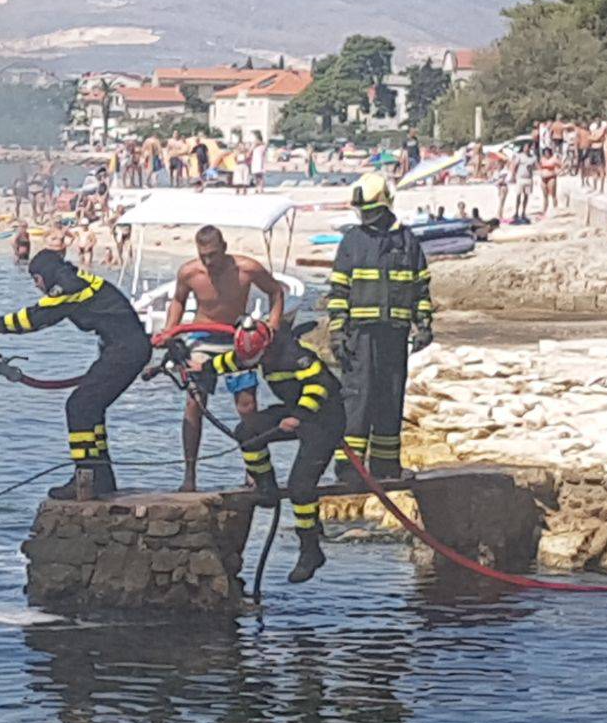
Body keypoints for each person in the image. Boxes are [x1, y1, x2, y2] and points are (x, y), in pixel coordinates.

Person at [0, 250, 151, 499]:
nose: (36, 286)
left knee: (79, 406)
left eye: (36, 279)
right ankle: (101, 478)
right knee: (89, 407)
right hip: (123, 349)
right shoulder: (74, 280)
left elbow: (38, 317)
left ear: (44, 275)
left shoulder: (68, 286)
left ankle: (86, 476)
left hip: (125, 351)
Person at [212, 318, 345, 583]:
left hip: (323, 419)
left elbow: (320, 386)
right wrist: (199, 369)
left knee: (300, 487)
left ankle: (310, 549)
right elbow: (229, 361)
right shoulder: (258, 352)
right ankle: (266, 488)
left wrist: (300, 415)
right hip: (295, 413)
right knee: (247, 433)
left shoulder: (295, 355)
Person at [324, 172, 433, 482]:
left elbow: (421, 286)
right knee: (358, 398)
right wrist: (337, 331)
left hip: (395, 333)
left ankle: (386, 468)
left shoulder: (406, 241)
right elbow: (339, 290)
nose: (366, 216)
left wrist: (423, 323)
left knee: (390, 396)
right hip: (359, 334)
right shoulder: (353, 241)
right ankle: (350, 470)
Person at [162, 225, 286, 492]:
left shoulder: (247, 268)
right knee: (195, 402)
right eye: (203, 255)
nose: (209, 261)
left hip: (237, 339)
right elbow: (178, 301)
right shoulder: (189, 272)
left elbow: (276, 292)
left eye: (213, 255)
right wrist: (170, 331)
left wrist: (272, 327)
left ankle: (254, 470)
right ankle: (190, 475)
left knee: (247, 406)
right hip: (203, 338)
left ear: (224, 248)